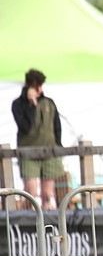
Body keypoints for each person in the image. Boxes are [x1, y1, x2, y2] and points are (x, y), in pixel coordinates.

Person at [11, 69, 65, 209]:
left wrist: (58, 145)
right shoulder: (18, 105)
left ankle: (49, 225)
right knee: (31, 194)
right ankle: (29, 227)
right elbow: (25, 127)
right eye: (36, 86)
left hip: (49, 152)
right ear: (29, 86)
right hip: (28, 153)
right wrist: (31, 105)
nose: (39, 89)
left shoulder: (49, 103)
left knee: (48, 193)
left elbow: (57, 126)